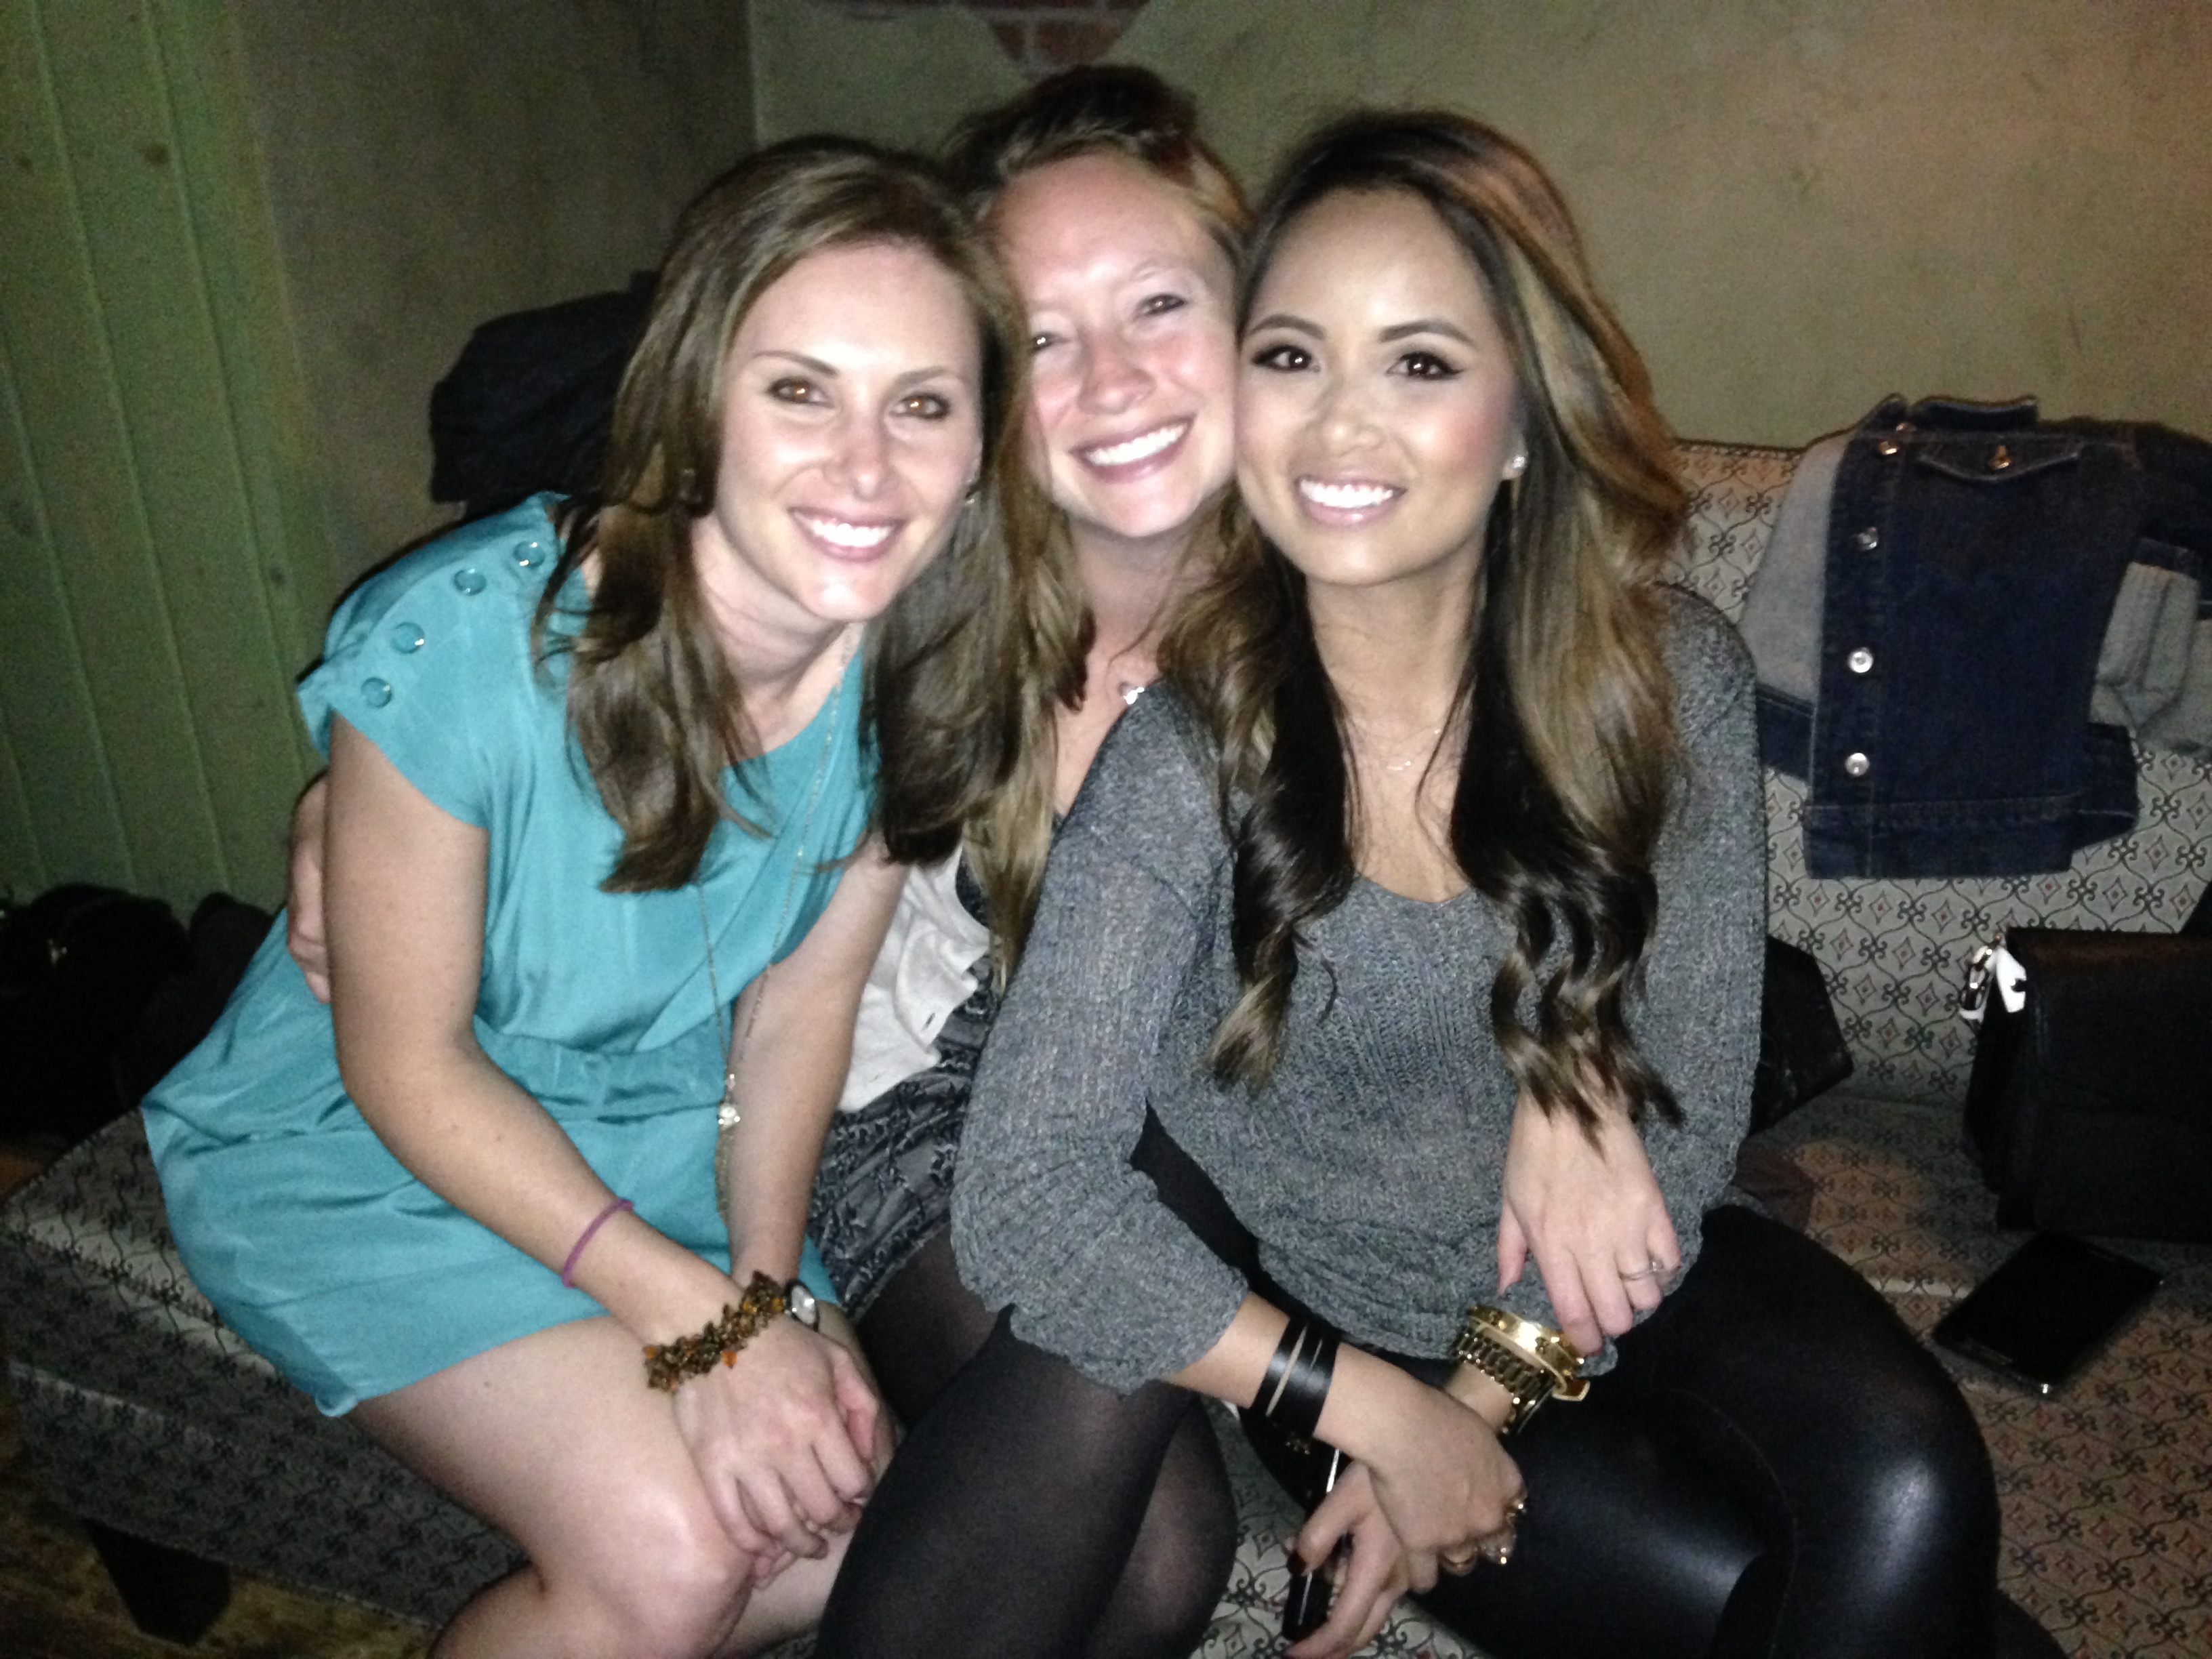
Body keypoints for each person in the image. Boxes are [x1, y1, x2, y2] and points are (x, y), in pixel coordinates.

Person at [901, 110, 2057, 1659]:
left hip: (1623, 1280)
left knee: (1915, 1492)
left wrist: (1486, 1384)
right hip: (1348, 1329)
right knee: (1858, 1613)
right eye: (1294, 357)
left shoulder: (1670, 681)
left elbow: (1686, 1103)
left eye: (1420, 363)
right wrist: (1392, 1420)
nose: (1341, 424)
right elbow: (1028, 1196)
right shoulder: (1185, 756)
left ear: (1523, 414)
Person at [142, 137, 1033, 1659]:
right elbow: (404, 1063)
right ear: (697, 397)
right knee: (682, 1556)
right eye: (799, 389)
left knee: (843, 1529)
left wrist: (760, 1299)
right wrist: (697, 1327)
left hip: (671, 1139)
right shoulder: (466, 642)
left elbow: (797, 1019)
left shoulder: (915, 677)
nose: (866, 466)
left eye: (922, 404)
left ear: (978, 446)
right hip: (369, 1142)